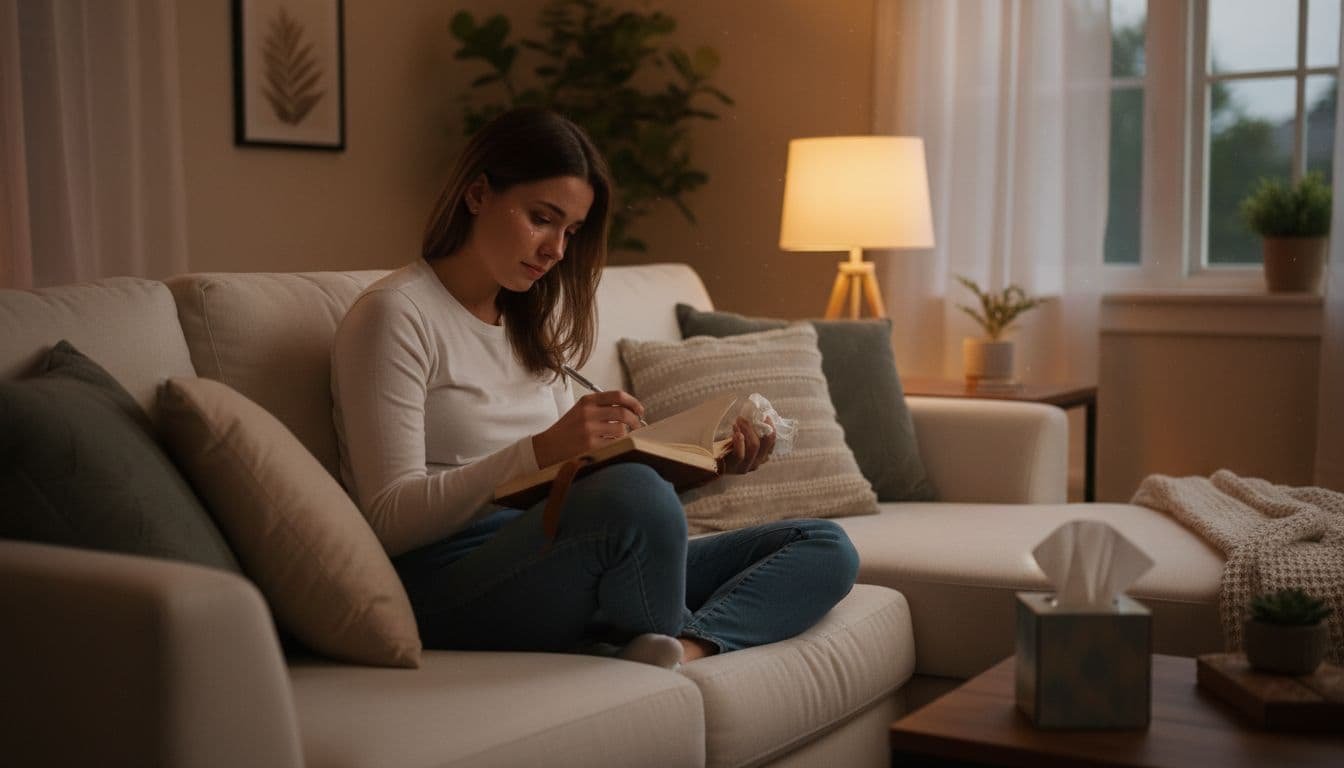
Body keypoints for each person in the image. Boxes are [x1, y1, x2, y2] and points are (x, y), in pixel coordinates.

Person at [331, 107, 859, 668]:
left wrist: (704, 466)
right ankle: (653, 626)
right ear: (478, 193)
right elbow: (387, 518)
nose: (557, 249)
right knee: (632, 494)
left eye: (571, 231)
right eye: (542, 218)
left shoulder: (527, 320)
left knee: (822, 544)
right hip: (451, 581)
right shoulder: (395, 316)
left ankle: (682, 646)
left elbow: (595, 490)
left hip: (561, 549)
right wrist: (542, 451)